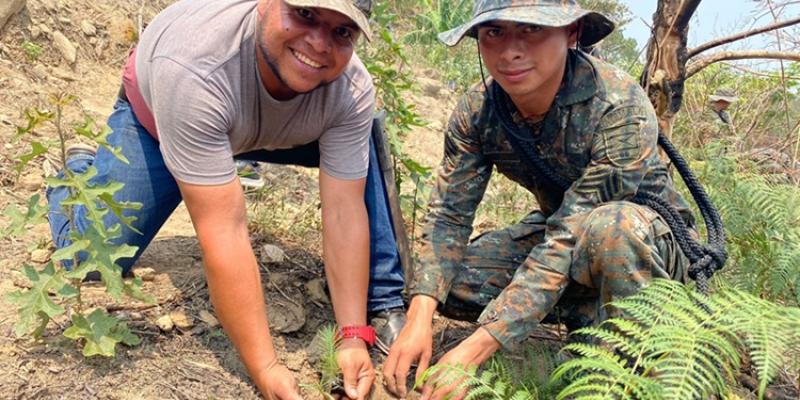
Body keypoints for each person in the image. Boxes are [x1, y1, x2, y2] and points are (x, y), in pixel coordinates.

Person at [46, 0, 407, 398]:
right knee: (89, 260)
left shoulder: (349, 88)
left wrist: (353, 336)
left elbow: (343, 212)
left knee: (361, 152)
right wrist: (266, 367)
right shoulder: (194, 67)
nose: (320, 44)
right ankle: (76, 172)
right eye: (305, 14)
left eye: (342, 32)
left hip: (267, 126)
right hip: (165, 118)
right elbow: (225, 232)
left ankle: (384, 299)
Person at [383, 1, 697, 398]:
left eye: (532, 29)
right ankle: (589, 311)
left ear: (572, 33)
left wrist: (478, 347)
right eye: (494, 32)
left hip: (644, 242)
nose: (510, 51)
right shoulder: (477, 111)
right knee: (447, 283)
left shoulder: (618, 103)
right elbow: (449, 215)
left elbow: (571, 233)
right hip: (564, 233)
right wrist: (419, 315)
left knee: (611, 230)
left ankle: (634, 358)